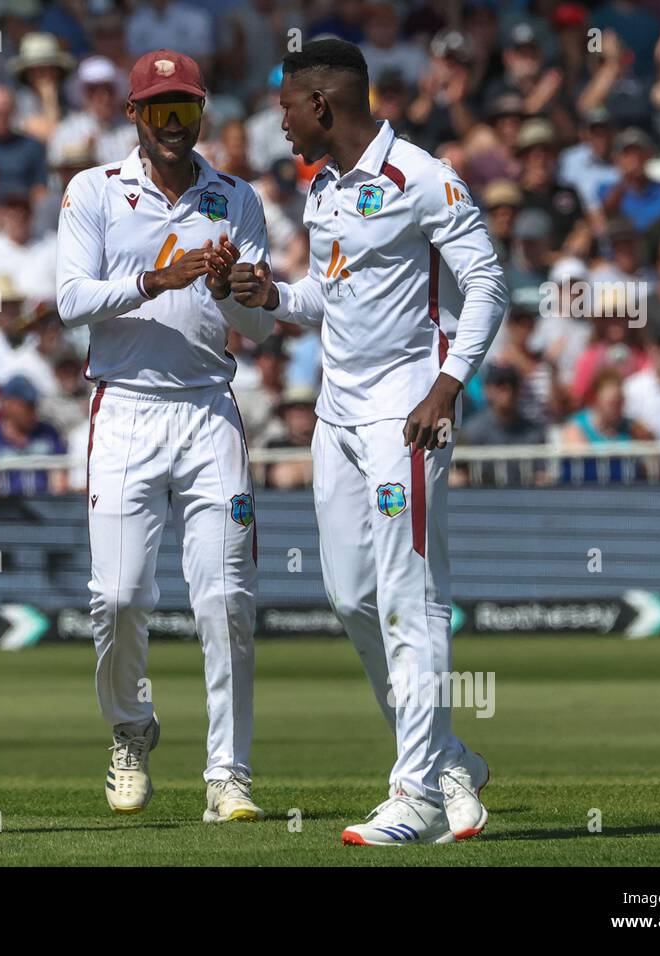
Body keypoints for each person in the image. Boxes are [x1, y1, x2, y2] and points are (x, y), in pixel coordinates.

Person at [220, 38, 506, 846]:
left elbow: (487, 283)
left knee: (412, 600)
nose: (278, 121)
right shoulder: (324, 188)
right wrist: (269, 293)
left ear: (321, 104)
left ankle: (413, 792)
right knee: (351, 597)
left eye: (284, 107)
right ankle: (448, 759)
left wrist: (445, 387)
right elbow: (329, 296)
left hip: (404, 417)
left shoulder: (420, 176)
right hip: (338, 419)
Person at [56, 49, 274, 824]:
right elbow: (70, 299)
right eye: (159, 109)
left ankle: (229, 774)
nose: (174, 123)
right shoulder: (94, 191)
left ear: (203, 112)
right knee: (117, 597)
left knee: (225, 600)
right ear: (135, 116)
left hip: (209, 408)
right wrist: (159, 277)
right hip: (123, 409)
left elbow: (258, 325)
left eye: (185, 107)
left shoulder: (235, 198)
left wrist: (230, 287)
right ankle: (129, 728)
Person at [0, 375, 68, 496]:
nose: (33, 409)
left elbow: (60, 484)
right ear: (8, 404)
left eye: (34, 404)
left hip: (45, 509)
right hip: (4, 510)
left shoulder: (49, 433)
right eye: (27, 404)